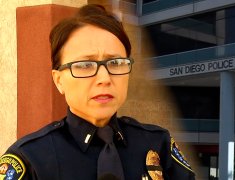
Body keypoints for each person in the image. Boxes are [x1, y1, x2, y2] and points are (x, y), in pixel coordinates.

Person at [0, 4, 195, 180]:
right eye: (85, 65)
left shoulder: (157, 143)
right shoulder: (30, 159)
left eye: (116, 63)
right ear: (59, 80)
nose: (104, 78)